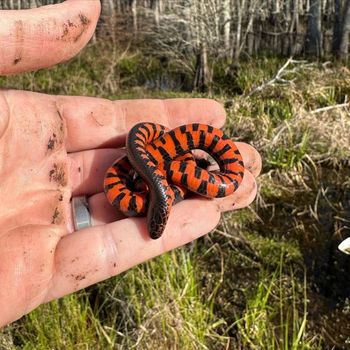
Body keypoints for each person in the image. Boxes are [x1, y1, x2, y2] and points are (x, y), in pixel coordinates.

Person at [0, 0, 261, 328]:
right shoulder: (150, 176)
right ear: (159, 209)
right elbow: (156, 174)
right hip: (150, 161)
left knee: (169, 171)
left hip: (156, 161)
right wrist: (162, 176)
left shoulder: (155, 176)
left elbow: (161, 176)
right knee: (157, 169)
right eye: (157, 217)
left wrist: (163, 174)